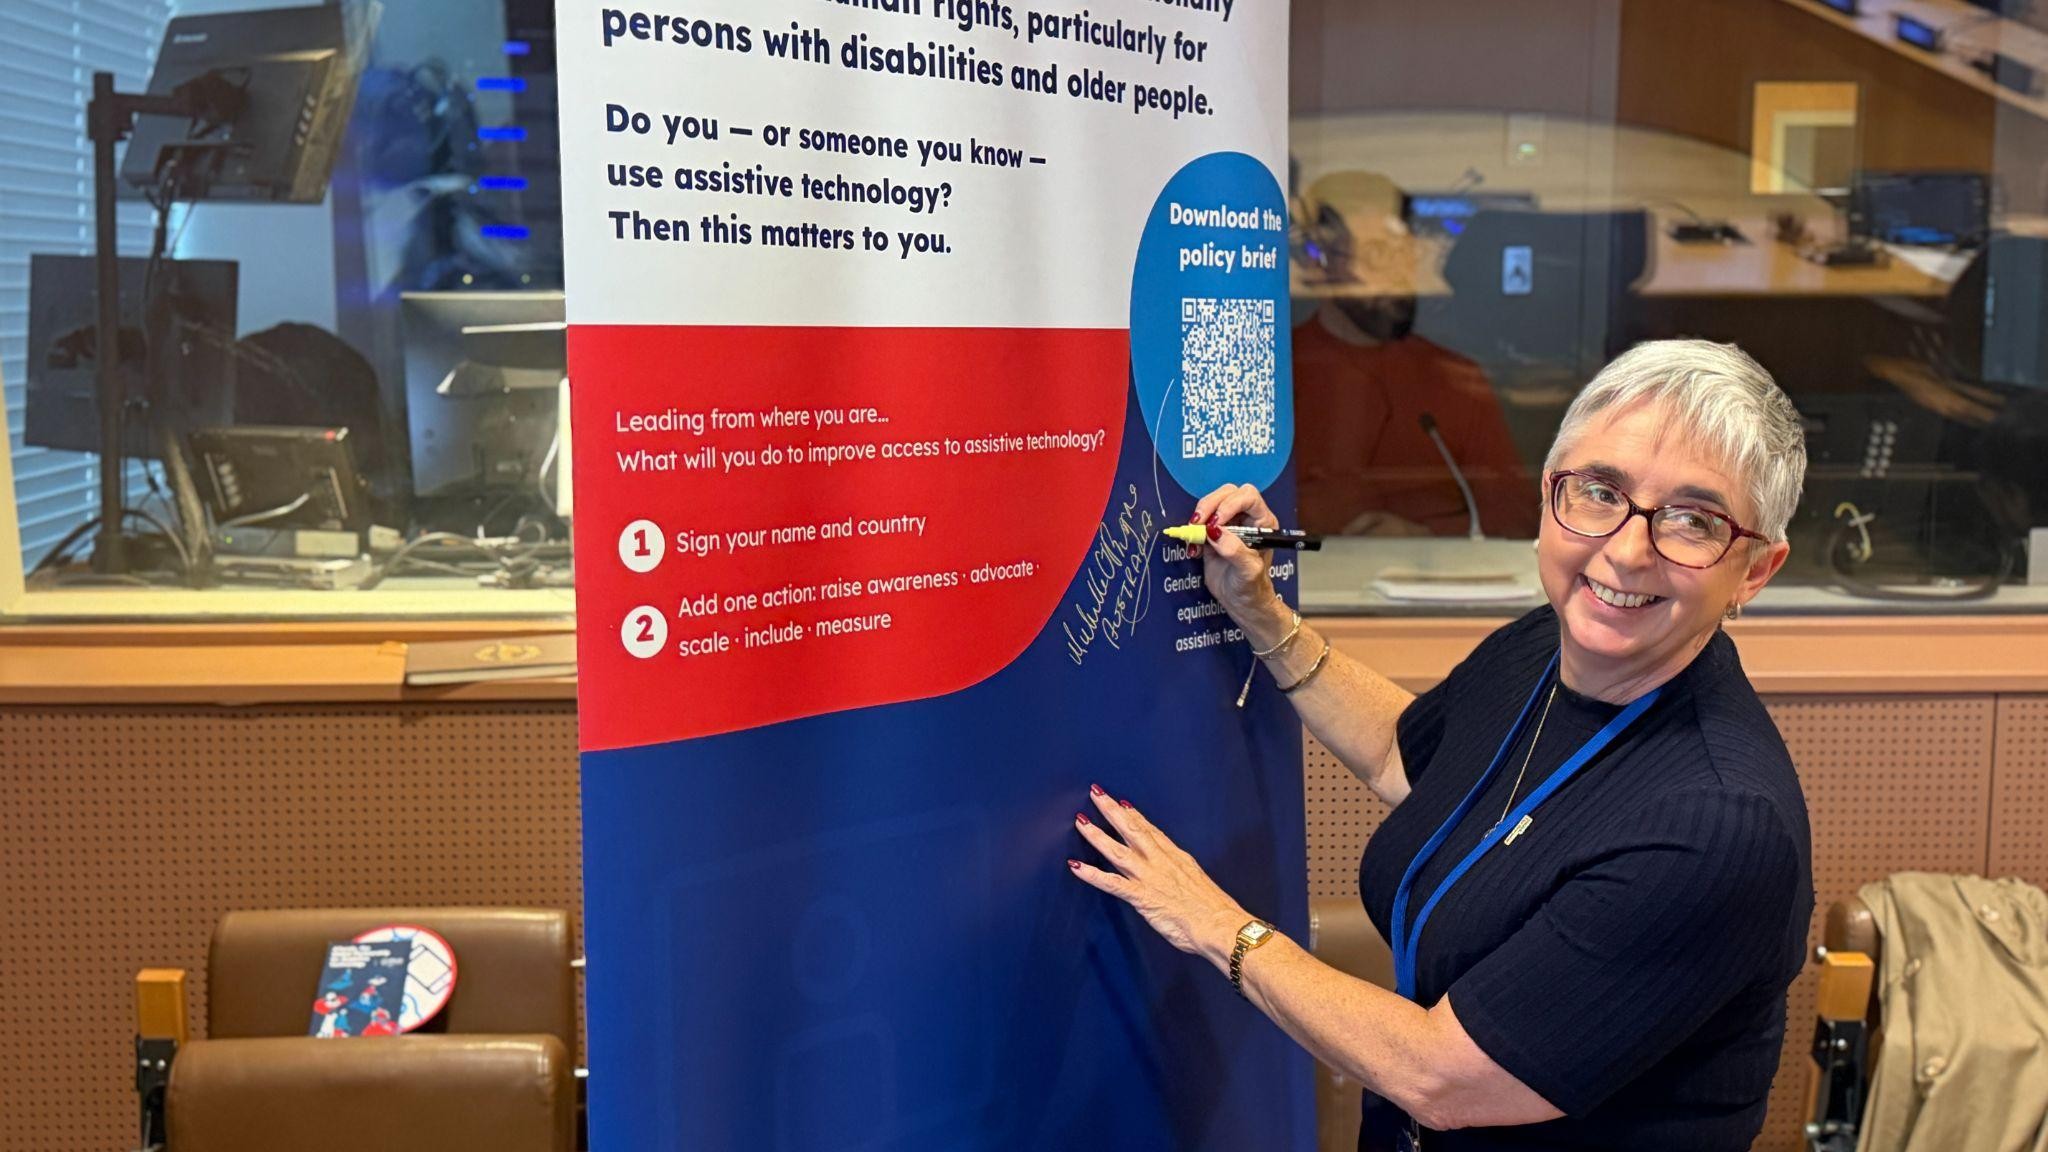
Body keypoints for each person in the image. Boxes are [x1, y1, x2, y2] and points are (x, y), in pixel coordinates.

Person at [1069, 339, 1816, 1150]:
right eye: (1601, 492)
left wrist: (1214, 923)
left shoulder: (1718, 829)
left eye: (1693, 520)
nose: (1627, 551)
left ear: (1755, 570)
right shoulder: (1548, 644)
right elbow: (1410, 757)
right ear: (1548, 495)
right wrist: (1263, 617)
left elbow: (1442, 1077)